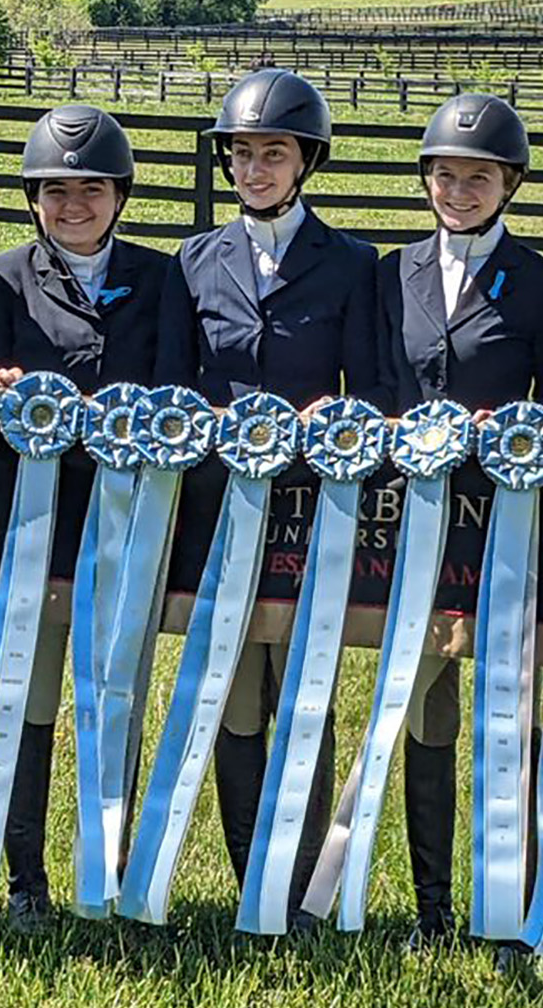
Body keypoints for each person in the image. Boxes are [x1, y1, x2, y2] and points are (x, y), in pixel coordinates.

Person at [155, 67, 378, 931]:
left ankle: (299, 882)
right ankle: (254, 876)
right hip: (219, 505)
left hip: (310, 508)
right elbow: (174, 385)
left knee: (303, 686)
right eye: (241, 155)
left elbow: (367, 390)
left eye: (271, 154)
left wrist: (335, 416)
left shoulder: (352, 264)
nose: (254, 170)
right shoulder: (194, 259)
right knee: (233, 687)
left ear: (305, 161)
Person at [0, 104, 169, 929]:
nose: (72, 204)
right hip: (34, 529)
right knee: (31, 697)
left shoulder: (162, 279)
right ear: (32, 197)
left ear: (119, 194)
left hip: (127, 524)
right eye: (54, 190)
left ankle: (107, 873)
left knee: (115, 696)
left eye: (89, 188)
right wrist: (5, 403)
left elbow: (171, 393)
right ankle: (24, 880)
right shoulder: (0, 279)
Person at [372, 93, 543, 948]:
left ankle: (508, 909)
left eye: (478, 176)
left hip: (506, 518)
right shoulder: (392, 273)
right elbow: (378, 390)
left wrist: (512, 441)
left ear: (509, 183)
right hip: (416, 522)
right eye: (446, 175)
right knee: (425, 707)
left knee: (508, 711)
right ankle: (430, 907)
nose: (459, 190)